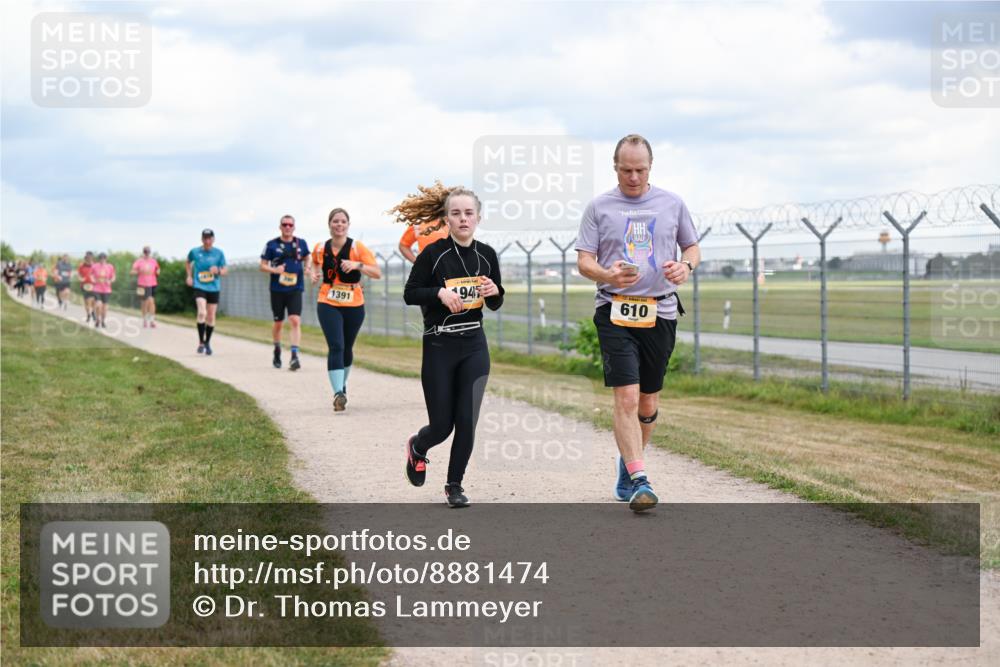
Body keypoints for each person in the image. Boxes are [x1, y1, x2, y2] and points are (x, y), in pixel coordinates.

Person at [576, 133, 700, 513]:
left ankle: (628, 465)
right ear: (615, 168)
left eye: (640, 170)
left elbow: (692, 247)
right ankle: (640, 478)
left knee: (648, 402)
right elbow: (584, 262)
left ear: (650, 168)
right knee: (627, 397)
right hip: (614, 309)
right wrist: (607, 275)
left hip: (660, 310)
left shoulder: (672, 203)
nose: (633, 177)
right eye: (626, 170)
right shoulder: (599, 207)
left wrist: (686, 266)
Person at [402, 187, 504, 508]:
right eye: (456, 213)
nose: (463, 219)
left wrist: (494, 290)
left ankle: (454, 485)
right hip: (439, 343)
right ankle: (418, 447)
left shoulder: (487, 254)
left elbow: (496, 302)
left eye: (468, 213)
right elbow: (410, 293)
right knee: (442, 426)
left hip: (474, 344)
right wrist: (439, 293)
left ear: (478, 218)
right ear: (446, 219)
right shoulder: (433, 254)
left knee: (467, 420)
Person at [308, 208, 380, 411]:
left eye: (343, 221)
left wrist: (357, 265)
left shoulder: (357, 247)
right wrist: (313, 274)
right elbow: (314, 263)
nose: (339, 225)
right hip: (328, 300)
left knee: (347, 348)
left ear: (348, 225)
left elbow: (377, 272)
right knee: (336, 345)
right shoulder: (320, 248)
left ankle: (342, 386)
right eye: (335, 221)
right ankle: (338, 393)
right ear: (329, 224)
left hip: (354, 303)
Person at [260, 215, 310, 370]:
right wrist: (274, 270)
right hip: (277, 290)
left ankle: (294, 356)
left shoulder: (301, 243)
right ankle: (277, 348)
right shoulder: (271, 245)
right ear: (280, 227)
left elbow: (308, 257)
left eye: (290, 224)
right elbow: (262, 265)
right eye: (284, 224)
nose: (287, 227)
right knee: (278, 323)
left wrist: (307, 267)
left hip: (295, 288)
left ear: (294, 227)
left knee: (295, 320)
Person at [186, 229, 227, 355]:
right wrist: (189, 276)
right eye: (205, 238)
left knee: (211, 316)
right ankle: (201, 342)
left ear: (213, 239)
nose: (207, 241)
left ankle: (207, 342)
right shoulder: (195, 252)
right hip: (199, 286)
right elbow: (188, 262)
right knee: (202, 312)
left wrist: (218, 271)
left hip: (214, 288)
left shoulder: (219, 253)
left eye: (209, 238)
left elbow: (225, 270)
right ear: (202, 239)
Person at [390, 181, 451, 263]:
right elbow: (403, 246)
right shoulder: (418, 224)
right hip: (428, 269)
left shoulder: (452, 222)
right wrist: (417, 263)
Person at [131, 246, 161, 328]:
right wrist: (138, 271)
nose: (147, 253)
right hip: (141, 284)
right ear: (143, 252)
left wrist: (158, 272)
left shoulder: (153, 261)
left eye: (148, 252)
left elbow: (158, 269)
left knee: (151, 301)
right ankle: (144, 319)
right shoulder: (139, 261)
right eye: (145, 252)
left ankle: (152, 320)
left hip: (152, 284)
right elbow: (132, 271)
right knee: (143, 303)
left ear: (150, 252)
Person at [90, 252, 117, 327]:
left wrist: (110, 281)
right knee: (99, 304)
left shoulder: (110, 266)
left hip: (106, 289)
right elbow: (91, 275)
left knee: (105, 307)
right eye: (101, 258)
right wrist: (93, 280)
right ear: (99, 259)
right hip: (97, 289)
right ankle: (97, 319)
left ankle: (103, 321)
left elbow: (113, 277)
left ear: (106, 259)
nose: (102, 260)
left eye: (104, 258)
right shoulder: (94, 266)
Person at [77, 252, 97, 323]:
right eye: (88, 257)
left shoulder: (95, 265)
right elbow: (78, 275)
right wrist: (81, 279)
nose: (89, 259)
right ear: (85, 258)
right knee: (87, 301)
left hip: (94, 285)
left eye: (90, 257)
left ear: (92, 258)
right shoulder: (81, 266)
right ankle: (88, 314)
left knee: (94, 301)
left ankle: (93, 312)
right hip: (85, 285)